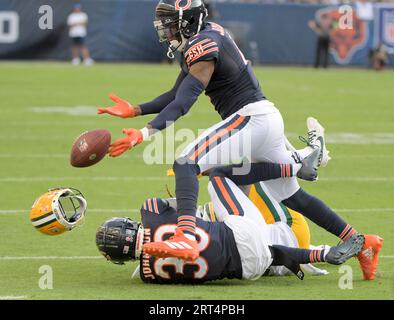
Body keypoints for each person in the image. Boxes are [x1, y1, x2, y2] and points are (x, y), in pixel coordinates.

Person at [97, 0, 382, 281]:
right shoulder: (206, 36)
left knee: (186, 163)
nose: (167, 33)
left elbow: (183, 103)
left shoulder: (203, 46)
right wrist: (136, 109)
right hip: (264, 119)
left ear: (186, 22)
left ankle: (185, 236)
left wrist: (144, 133)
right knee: (291, 195)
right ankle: (361, 241)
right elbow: (174, 94)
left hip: (250, 118)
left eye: (171, 26)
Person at [96, 162, 364, 284]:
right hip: (243, 232)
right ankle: (294, 167)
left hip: (248, 270)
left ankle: (324, 254)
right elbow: (180, 205)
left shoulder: (148, 277)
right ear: (129, 225)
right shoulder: (150, 211)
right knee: (223, 173)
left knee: (266, 253)